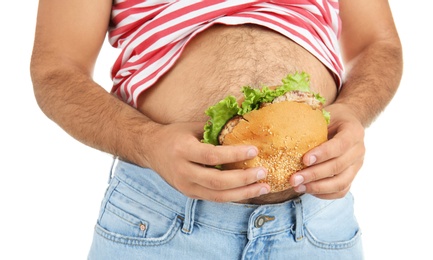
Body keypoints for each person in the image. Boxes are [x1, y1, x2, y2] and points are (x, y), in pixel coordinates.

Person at [30, 1, 402, 259]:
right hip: (162, 220)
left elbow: (378, 43)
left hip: (316, 224)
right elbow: (56, 70)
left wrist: (351, 112)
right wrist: (146, 143)